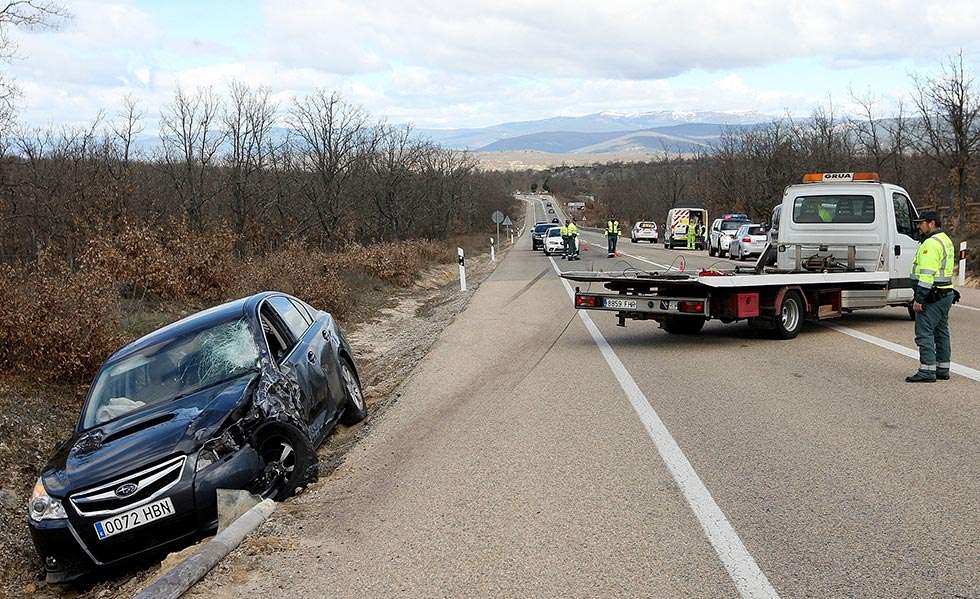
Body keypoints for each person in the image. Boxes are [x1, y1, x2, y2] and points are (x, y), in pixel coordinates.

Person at [906, 211, 958, 383]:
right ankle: (942, 368)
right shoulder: (945, 240)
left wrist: (919, 299)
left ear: (932, 223)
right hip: (945, 293)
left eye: (922, 223)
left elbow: (927, 275)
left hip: (932, 295)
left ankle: (927, 370)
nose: (919, 226)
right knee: (941, 331)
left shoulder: (931, 244)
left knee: (924, 332)